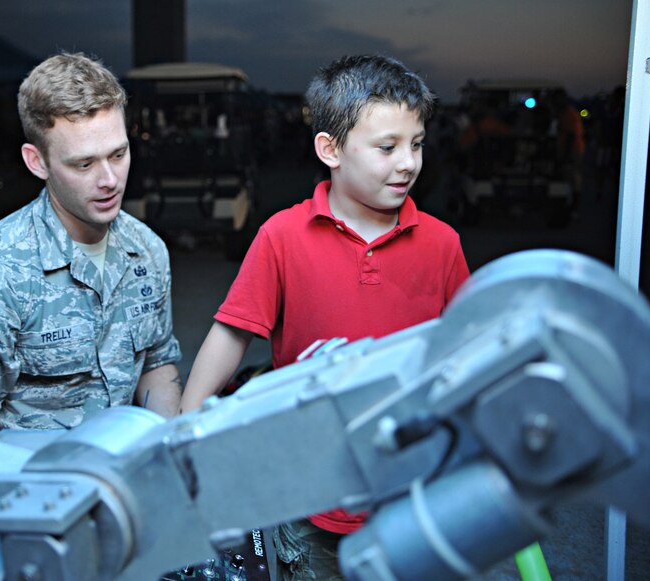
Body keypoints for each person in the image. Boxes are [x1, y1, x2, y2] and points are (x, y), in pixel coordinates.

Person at [181, 54, 470, 580]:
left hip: (413, 492)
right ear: (330, 150)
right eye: (387, 147)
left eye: (417, 144)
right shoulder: (282, 236)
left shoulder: (442, 245)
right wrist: (187, 427)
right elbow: (232, 332)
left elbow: (467, 350)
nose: (408, 163)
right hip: (311, 493)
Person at [0, 52, 183, 472]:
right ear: (36, 161)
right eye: (84, 163)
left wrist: (167, 457)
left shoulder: (148, 250)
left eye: (118, 154)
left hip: (126, 490)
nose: (109, 180)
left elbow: (156, 361)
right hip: (32, 499)